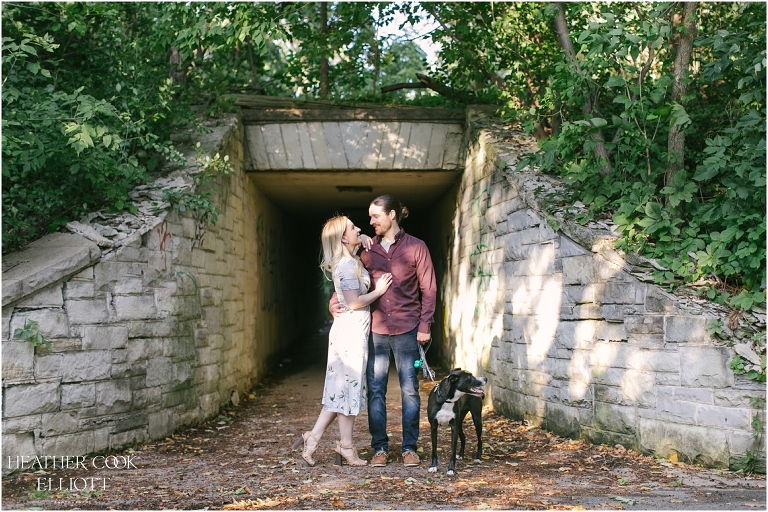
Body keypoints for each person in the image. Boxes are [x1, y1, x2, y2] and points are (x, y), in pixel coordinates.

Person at [330, 194, 436, 467]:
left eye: (375, 216)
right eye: (369, 217)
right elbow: (346, 279)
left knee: (410, 389)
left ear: (391, 215)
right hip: (375, 331)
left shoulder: (417, 247)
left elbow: (429, 289)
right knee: (375, 390)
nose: (370, 221)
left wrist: (425, 325)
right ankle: (380, 448)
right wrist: (334, 302)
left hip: (408, 329)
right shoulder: (366, 249)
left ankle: (409, 448)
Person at [292, 215, 393, 467]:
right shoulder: (347, 266)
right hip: (349, 335)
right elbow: (354, 302)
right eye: (353, 227)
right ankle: (344, 446)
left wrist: (364, 239)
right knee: (346, 391)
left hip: (352, 332)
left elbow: (347, 298)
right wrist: (379, 291)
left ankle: (313, 438)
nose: (360, 228)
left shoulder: (350, 259)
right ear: (343, 238)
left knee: (341, 392)